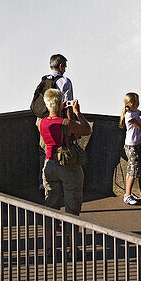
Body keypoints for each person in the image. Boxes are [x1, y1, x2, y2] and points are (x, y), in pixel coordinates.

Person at [37, 88, 91, 217]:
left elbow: (54, 136)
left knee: (51, 207)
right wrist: (78, 113)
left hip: (49, 164)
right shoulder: (67, 123)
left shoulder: (41, 123)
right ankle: (71, 235)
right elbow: (87, 130)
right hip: (68, 166)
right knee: (72, 207)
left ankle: (49, 237)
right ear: (60, 102)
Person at [31, 54, 75, 193]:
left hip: (42, 123)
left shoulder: (44, 79)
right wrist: (71, 125)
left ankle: (42, 182)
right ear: (61, 66)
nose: (65, 69)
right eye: (65, 66)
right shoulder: (65, 81)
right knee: (60, 152)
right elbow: (68, 105)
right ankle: (59, 183)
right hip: (58, 123)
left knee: (43, 152)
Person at [119, 92, 141, 205]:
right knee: (133, 170)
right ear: (131, 104)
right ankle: (127, 195)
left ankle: (128, 193)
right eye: (136, 102)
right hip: (131, 146)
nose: (138, 103)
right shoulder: (129, 115)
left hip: (135, 144)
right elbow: (140, 126)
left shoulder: (136, 111)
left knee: (131, 170)